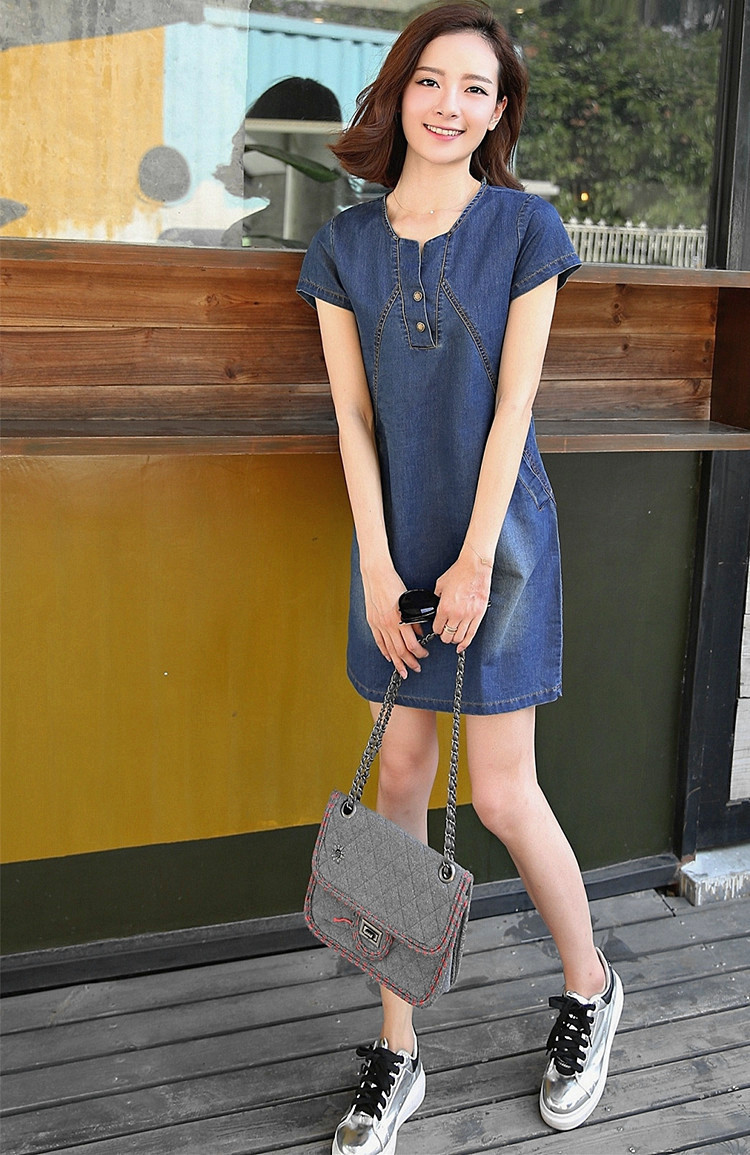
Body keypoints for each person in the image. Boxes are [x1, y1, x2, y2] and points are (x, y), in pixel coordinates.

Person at [297, 3, 623, 1151]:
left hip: (501, 540)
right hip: (390, 543)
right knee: (396, 784)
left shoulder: (526, 230)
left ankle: (590, 987)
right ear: (399, 95)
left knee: (500, 793)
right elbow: (352, 419)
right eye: (432, 81)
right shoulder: (342, 245)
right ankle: (398, 1049)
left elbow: (515, 406)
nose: (450, 105)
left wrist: (477, 557)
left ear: (498, 112)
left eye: (476, 89)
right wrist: (378, 568)